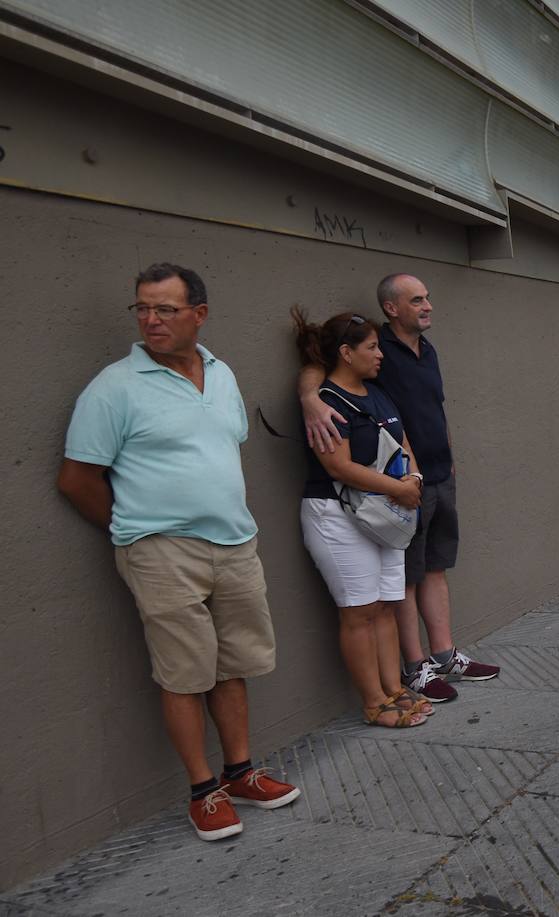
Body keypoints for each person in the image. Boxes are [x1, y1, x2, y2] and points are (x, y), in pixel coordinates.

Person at [58, 263, 300, 843]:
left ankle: (240, 772)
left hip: (235, 542)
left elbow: (223, 447)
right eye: (142, 308)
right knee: (184, 674)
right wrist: (134, 530)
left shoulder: (221, 373)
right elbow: (76, 479)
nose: (150, 320)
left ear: (200, 313)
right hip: (161, 552)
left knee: (233, 664)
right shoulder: (113, 386)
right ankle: (203, 790)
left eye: (165, 309)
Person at [301, 274, 498, 706]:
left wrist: (445, 458)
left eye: (428, 297)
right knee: (404, 579)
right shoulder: (377, 350)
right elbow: (323, 363)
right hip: (393, 489)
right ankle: (416, 667)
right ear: (392, 308)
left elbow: (432, 409)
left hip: (434, 476)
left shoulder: (427, 351)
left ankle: (444, 656)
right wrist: (308, 397)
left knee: (435, 567)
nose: (428, 306)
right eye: (417, 300)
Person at [292, 309, 433, 730]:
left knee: (387, 606)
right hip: (338, 515)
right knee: (360, 611)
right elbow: (338, 466)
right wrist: (400, 490)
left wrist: (414, 478)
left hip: (387, 514)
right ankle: (373, 701)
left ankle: (394, 689)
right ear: (345, 353)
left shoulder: (377, 392)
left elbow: (401, 439)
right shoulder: (328, 402)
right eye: (371, 347)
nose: (380, 355)